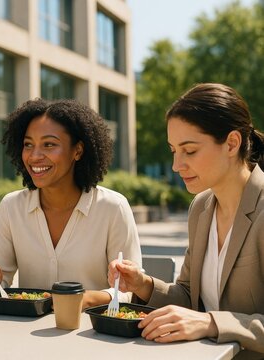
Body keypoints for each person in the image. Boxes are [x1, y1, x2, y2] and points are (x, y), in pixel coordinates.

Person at [108, 83, 264, 354]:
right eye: (173, 151)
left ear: (231, 143)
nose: (176, 165)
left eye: (189, 150)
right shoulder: (202, 207)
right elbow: (190, 297)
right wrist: (142, 285)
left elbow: (201, 318)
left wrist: (211, 322)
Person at [0, 98, 141, 308]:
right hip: (23, 334)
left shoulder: (113, 208)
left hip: (92, 332)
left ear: (77, 151)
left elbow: (128, 290)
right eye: (28, 145)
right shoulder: (12, 206)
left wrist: (80, 300)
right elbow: (0, 283)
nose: (34, 156)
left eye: (49, 144)